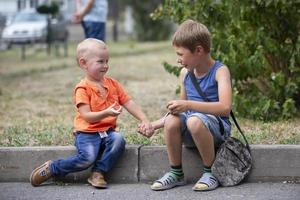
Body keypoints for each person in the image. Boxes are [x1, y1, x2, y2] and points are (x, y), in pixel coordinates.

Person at [30, 38, 153, 189]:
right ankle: (53, 168)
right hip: (87, 133)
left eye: (107, 61)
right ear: (83, 63)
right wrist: (106, 112)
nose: (106, 65)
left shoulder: (112, 84)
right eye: (100, 61)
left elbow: (128, 102)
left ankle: (98, 172)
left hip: (107, 132)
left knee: (118, 140)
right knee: (87, 158)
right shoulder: (82, 88)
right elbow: (87, 115)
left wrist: (144, 119)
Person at [140, 19, 232, 191]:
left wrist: (189, 105)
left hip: (217, 130)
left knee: (194, 120)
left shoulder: (220, 71)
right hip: (193, 128)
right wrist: (153, 125)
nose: (178, 60)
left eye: (180, 54)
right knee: (173, 120)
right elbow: (180, 112)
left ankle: (211, 172)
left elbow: (225, 108)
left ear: (198, 50)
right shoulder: (185, 74)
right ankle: (176, 173)